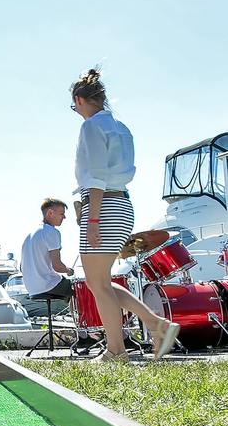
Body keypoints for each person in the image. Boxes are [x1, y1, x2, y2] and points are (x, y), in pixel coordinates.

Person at [71, 67, 178, 361]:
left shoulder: (91, 127)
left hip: (103, 206)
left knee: (98, 283)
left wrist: (92, 220)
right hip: (122, 206)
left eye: (73, 106)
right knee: (100, 283)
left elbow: (96, 176)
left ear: (80, 100)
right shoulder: (121, 128)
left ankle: (117, 350)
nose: (76, 112)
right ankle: (157, 326)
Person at [20, 198, 74, 301]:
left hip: (32, 289)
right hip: (48, 286)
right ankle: (81, 316)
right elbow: (57, 266)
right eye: (62, 214)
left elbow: (21, 267)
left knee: (67, 286)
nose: (64, 217)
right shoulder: (52, 232)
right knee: (78, 288)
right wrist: (68, 270)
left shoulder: (29, 235)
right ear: (50, 213)